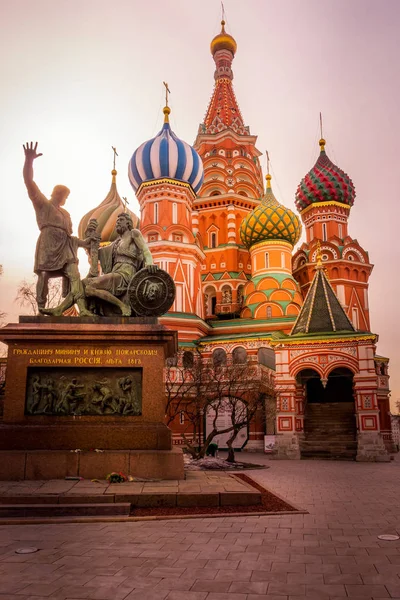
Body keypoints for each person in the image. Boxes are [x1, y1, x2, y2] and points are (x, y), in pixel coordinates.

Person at [23, 141, 93, 316]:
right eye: (65, 196)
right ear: (57, 194)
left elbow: (71, 238)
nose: (65, 200)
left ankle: (82, 309)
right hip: (47, 243)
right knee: (44, 274)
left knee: (74, 274)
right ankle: (41, 309)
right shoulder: (42, 204)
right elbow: (28, 181)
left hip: (65, 248)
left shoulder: (66, 214)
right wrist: (29, 161)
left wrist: (85, 243)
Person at [83, 212, 157, 316]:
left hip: (126, 273)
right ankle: (116, 307)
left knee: (90, 286)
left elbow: (145, 251)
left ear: (128, 223)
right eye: (117, 221)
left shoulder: (134, 233)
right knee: (84, 285)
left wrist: (150, 263)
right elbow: (96, 253)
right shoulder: (116, 242)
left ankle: (123, 306)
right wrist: (90, 236)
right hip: (116, 272)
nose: (117, 223)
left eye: (121, 220)